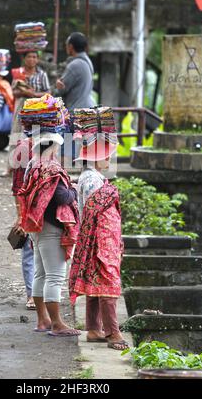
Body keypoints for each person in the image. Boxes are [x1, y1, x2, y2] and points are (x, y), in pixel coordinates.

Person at [17, 133, 81, 336]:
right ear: (52, 148)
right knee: (54, 276)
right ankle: (57, 324)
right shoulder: (51, 168)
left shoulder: (33, 166)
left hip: (36, 226)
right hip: (52, 227)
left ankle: (43, 320)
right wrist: (74, 191)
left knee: (41, 274)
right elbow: (61, 197)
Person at [69, 136, 129, 350]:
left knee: (94, 279)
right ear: (97, 158)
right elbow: (101, 215)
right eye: (107, 155)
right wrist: (111, 246)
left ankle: (94, 328)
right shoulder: (94, 180)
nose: (109, 159)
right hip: (101, 238)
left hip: (93, 236)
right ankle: (113, 332)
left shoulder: (89, 177)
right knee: (107, 281)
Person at [3, 51, 50, 177]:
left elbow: (47, 92)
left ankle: (33, 167)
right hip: (20, 107)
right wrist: (24, 92)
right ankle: (10, 167)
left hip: (37, 107)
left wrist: (33, 94)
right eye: (29, 56)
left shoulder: (42, 75)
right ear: (24, 59)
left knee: (35, 136)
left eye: (34, 57)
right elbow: (13, 92)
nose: (32, 59)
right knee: (16, 135)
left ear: (37, 59)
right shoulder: (18, 73)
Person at [11, 136, 35, 310]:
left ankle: (36, 294)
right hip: (30, 207)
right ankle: (33, 294)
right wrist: (20, 215)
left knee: (34, 253)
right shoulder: (25, 148)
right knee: (30, 250)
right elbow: (18, 186)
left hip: (42, 206)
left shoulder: (25, 146)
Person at [56, 32, 94, 111]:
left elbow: (62, 89)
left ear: (70, 46)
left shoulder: (75, 65)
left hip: (77, 111)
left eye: (66, 45)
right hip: (87, 108)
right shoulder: (87, 61)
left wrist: (58, 85)